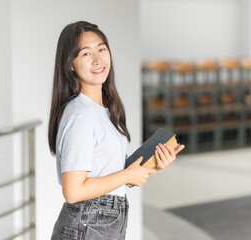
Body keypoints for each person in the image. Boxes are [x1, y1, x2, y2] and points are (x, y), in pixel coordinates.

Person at [48, 21, 184, 240]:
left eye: (102, 49)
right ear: (70, 64)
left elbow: (106, 171)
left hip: (97, 223)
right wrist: (128, 175)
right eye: (85, 53)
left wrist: (151, 166)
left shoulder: (103, 109)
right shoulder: (81, 115)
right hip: (87, 224)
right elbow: (73, 192)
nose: (98, 59)